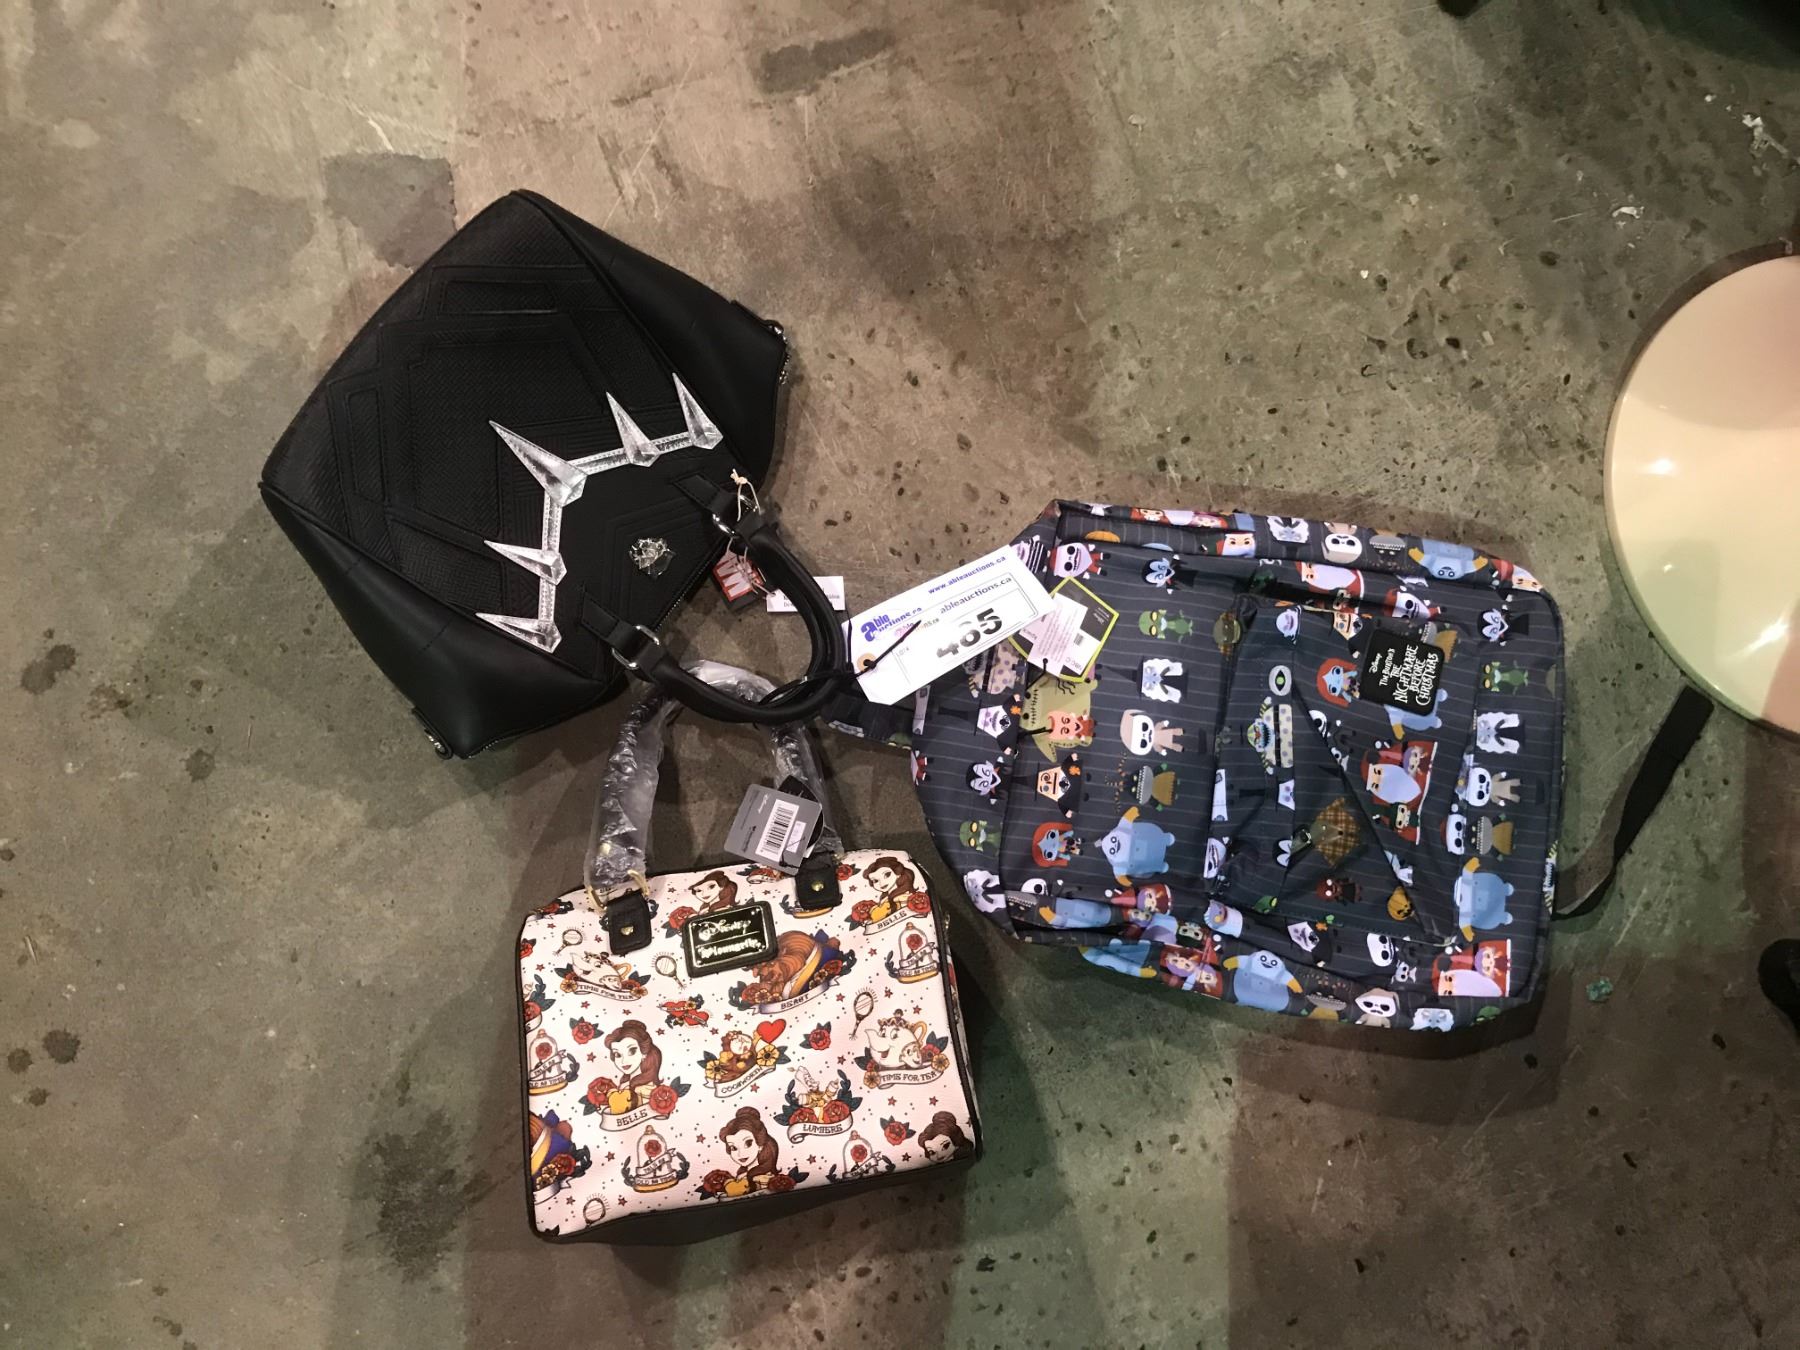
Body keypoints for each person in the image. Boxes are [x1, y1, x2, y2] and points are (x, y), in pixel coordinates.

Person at [602, 1020, 663, 1107]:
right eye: (618, 1055)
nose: (624, 1061)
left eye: (632, 1051)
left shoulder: (647, 1089)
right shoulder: (624, 1085)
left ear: (644, 1053)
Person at [719, 1106, 780, 1191]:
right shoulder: (741, 1175)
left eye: (748, 1144)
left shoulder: (765, 1177)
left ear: (760, 1144)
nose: (740, 1154)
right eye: (733, 1148)